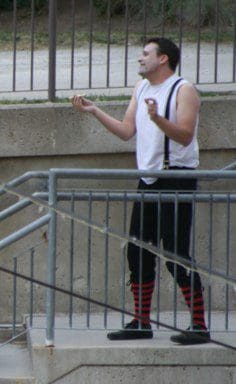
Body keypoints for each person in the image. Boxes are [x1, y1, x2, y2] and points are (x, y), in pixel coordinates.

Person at [72, 37, 209, 345]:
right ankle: (141, 322)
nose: (140, 58)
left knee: (175, 254)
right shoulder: (142, 88)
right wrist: (95, 111)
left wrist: (158, 118)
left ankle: (200, 325)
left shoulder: (183, 89)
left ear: (163, 59)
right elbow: (126, 131)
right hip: (148, 179)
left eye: (146, 53)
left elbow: (185, 136)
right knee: (138, 251)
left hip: (176, 177)